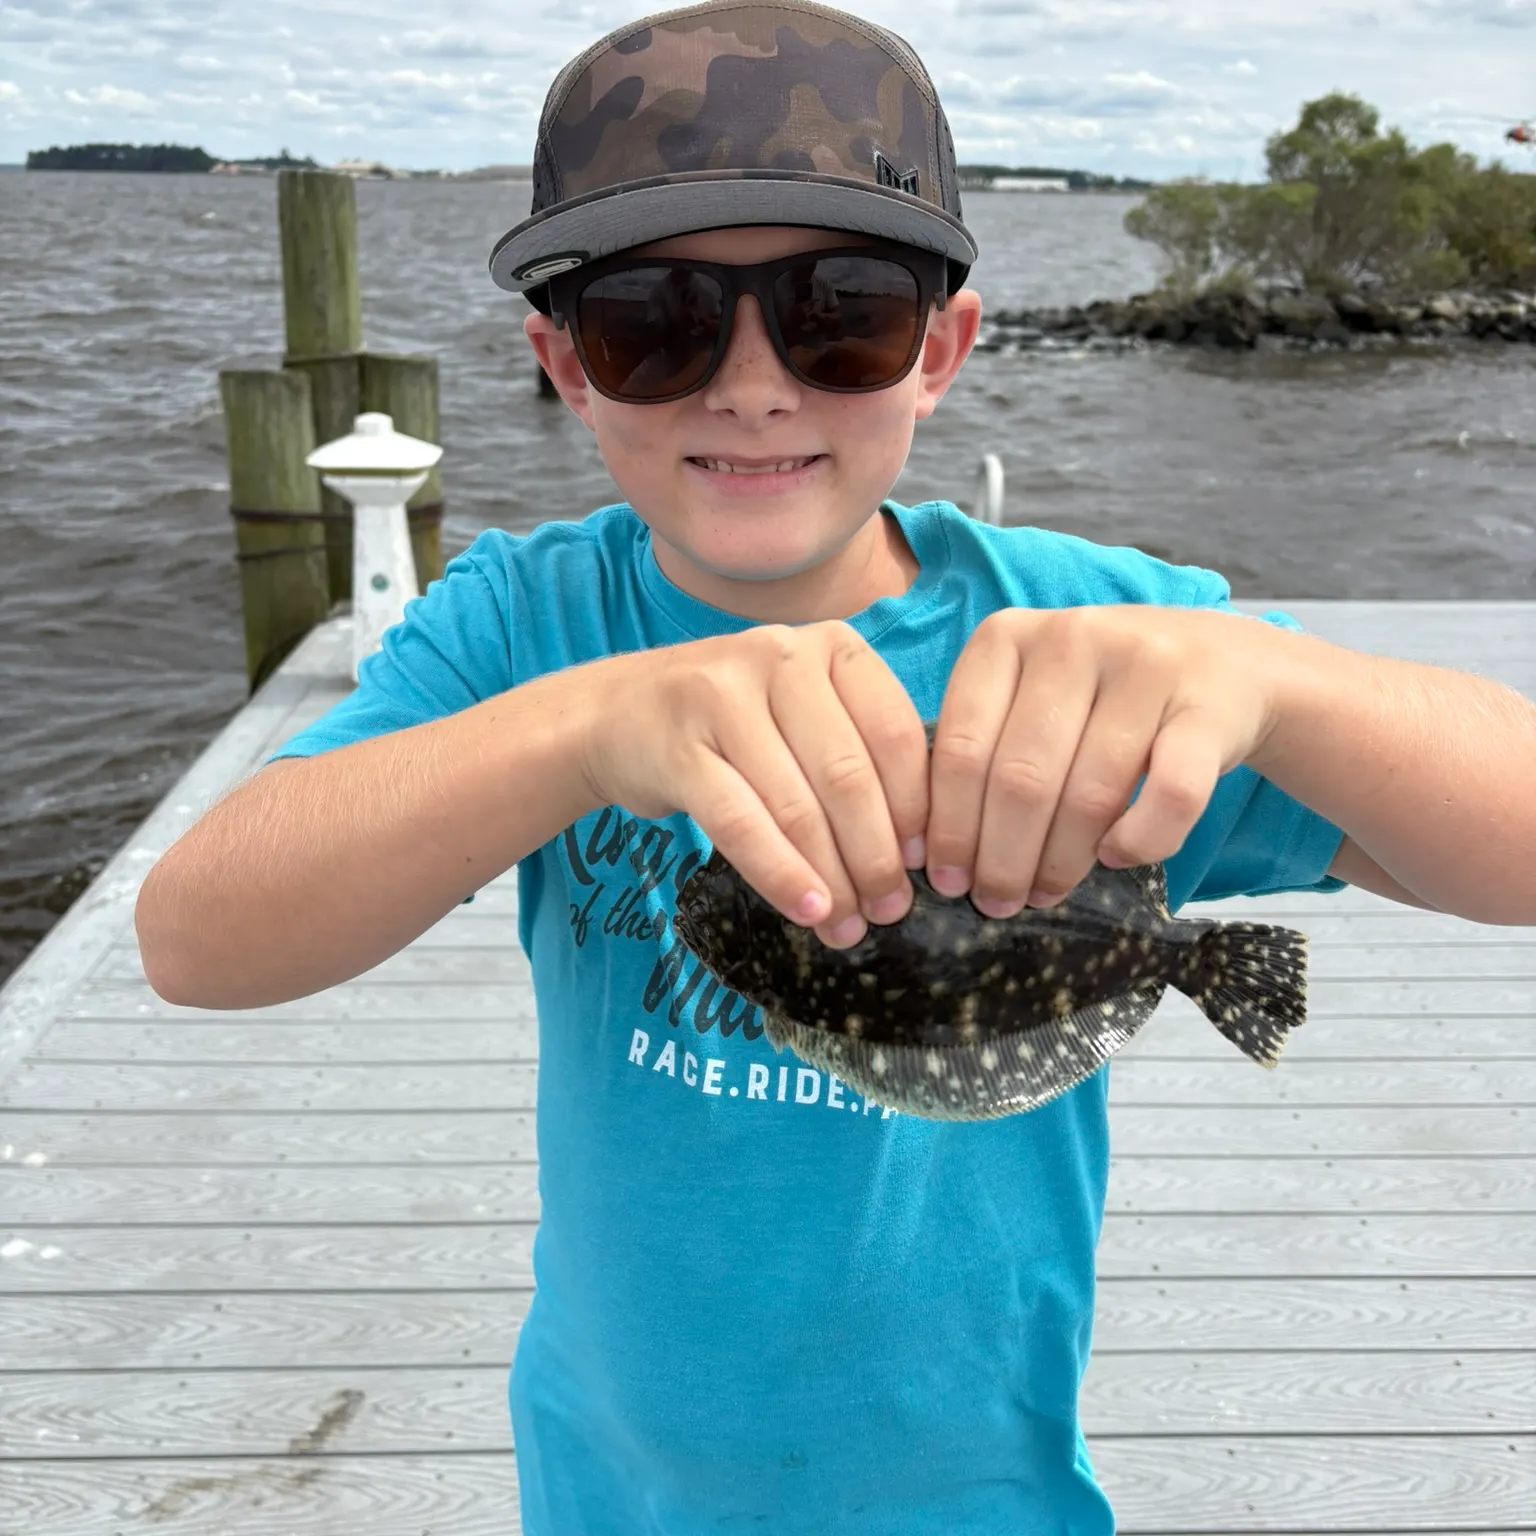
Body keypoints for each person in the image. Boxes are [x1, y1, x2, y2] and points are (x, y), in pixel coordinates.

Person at [134, 3, 1536, 1532]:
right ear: (564, 365)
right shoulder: (527, 628)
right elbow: (198, 941)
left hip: (978, 1493)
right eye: (652, 323)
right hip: (612, 1489)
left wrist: (1281, 683)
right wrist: (583, 730)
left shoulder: (1102, 638)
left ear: (941, 351)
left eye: (842, 313)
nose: (752, 385)